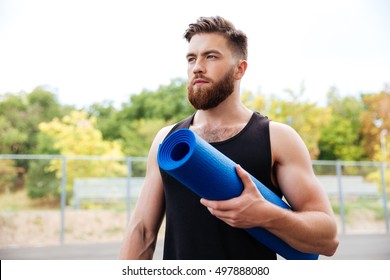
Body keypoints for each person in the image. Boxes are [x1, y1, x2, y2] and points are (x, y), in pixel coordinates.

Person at [119, 16, 339, 260]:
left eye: (210, 56)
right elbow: (141, 232)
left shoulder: (277, 138)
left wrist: (267, 214)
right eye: (191, 58)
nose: (197, 67)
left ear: (239, 69)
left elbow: (328, 240)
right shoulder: (167, 141)